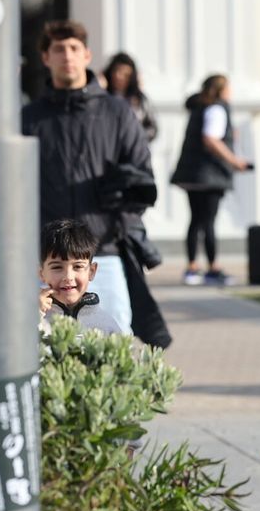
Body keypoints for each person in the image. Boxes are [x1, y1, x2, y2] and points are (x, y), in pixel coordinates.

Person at [23, 19, 156, 336]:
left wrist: (118, 219)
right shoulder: (28, 119)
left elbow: (142, 179)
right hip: (47, 260)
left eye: (74, 48)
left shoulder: (117, 112)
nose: (67, 56)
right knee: (39, 347)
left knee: (114, 346)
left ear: (87, 55)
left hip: (103, 254)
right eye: (59, 49)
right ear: (46, 58)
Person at [170, 74, 250, 286]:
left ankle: (192, 267)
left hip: (192, 173)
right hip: (210, 175)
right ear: (221, 90)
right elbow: (211, 139)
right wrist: (234, 161)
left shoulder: (199, 107)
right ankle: (212, 268)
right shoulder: (217, 109)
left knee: (195, 220)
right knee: (208, 222)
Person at [38, 218, 125, 335]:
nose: (68, 277)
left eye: (77, 267)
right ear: (41, 273)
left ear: (92, 271)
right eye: (57, 267)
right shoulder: (33, 317)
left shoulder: (106, 325)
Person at [102, 52, 159, 144]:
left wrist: (135, 138)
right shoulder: (101, 98)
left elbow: (152, 128)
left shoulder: (140, 100)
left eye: (125, 74)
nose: (119, 77)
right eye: (117, 71)